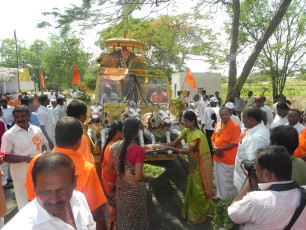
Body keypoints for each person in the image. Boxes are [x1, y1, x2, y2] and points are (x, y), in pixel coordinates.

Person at [24, 117, 107, 230]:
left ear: (55, 138)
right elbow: (95, 212)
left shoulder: (36, 162)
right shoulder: (87, 168)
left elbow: (30, 198)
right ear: (79, 141)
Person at [3, 152, 96, 229]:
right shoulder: (20, 227)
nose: (54, 200)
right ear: (34, 186)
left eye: (61, 190)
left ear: (74, 181)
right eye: (44, 192)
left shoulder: (79, 198)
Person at [228, 146, 306, 229]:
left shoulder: (254, 201)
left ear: (267, 174)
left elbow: (233, 213)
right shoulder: (304, 192)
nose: (255, 172)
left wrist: (251, 179)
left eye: (255, 169)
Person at [162, 111, 214, 224]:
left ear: (192, 121)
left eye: (185, 121)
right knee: (192, 190)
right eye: (183, 121)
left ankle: (199, 217)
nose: (183, 123)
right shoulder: (186, 131)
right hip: (192, 166)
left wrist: (171, 150)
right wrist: (160, 146)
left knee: (198, 191)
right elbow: (175, 142)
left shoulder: (197, 134)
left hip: (199, 166)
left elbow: (187, 151)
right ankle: (193, 214)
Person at [1, 105, 48, 210]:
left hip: (38, 172)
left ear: (29, 116)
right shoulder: (9, 135)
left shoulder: (36, 130)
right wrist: (26, 159)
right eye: (17, 117)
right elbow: (5, 157)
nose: (20, 119)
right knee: (23, 204)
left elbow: (43, 144)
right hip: (21, 175)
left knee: (40, 201)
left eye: (23, 116)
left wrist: (43, 153)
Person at [110, 118, 154, 229]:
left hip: (121, 190)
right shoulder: (138, 150)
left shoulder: (113, 147)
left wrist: (125, 174)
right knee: (136, 222)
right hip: (135, 194)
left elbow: (109, 169)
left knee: (124, 219)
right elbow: (139, 177)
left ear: (123, 130)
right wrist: (148, 177)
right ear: (137, 132)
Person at [234, 106, 270, 192]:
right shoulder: (260, 130)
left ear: (251, 120)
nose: (242, 120)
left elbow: (252, 166)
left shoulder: (255, 138)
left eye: (244, 118)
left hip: (246, 182)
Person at [211, 106, 241, 199]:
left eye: (226, 114)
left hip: (228, 159)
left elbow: (234, 143)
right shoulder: (218, 125)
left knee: (227, 181)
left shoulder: (235, 126)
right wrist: (215, 148)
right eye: (222, 115)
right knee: (219, 179)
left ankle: (229, 200)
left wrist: (220, 149)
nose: (224, 116)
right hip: (217, 157)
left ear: (230, 114)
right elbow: (213, 138)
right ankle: (221, 197)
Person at [100, 121, 123, 230]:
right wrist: (126, 173)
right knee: (114, 210)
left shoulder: (112, 144)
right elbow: (110, 169)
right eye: (124, 132)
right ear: (118, 132)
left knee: (112, 209)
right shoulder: (112, 147)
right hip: (111, 183)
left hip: (108, 181)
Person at [66, 99, 95, 164]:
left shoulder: (63, 130)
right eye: (86, 113)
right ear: (82, 116)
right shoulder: (81, 137)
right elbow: (86, 159)